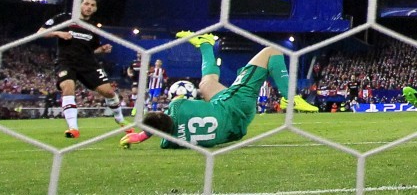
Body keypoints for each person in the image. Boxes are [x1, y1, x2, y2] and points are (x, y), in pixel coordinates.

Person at [120, 30, 318, 149]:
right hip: (235, 105)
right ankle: (289, 97)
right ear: (163, 114)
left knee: (206, 85)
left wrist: (141, 135)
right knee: (271, 52)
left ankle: (205, 44)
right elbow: (176, 109)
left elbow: (161, 126)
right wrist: (145, 130)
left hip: (235, 130)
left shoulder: (169, 143)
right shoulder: (177, 105)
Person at [37, 0, 131, 138]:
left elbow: (92, 50)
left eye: (92, 5)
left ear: (95, 9)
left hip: (88, 64)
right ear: (80, 5)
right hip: (66, 62)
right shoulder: (64, 18)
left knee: (109, 92)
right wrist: (58, 33)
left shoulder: (92, 28)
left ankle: (120, 119)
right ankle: (73, 128)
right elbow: (40, 33)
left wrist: (102, 49)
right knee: (67, 87)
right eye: (86, 4)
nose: (89, 7)